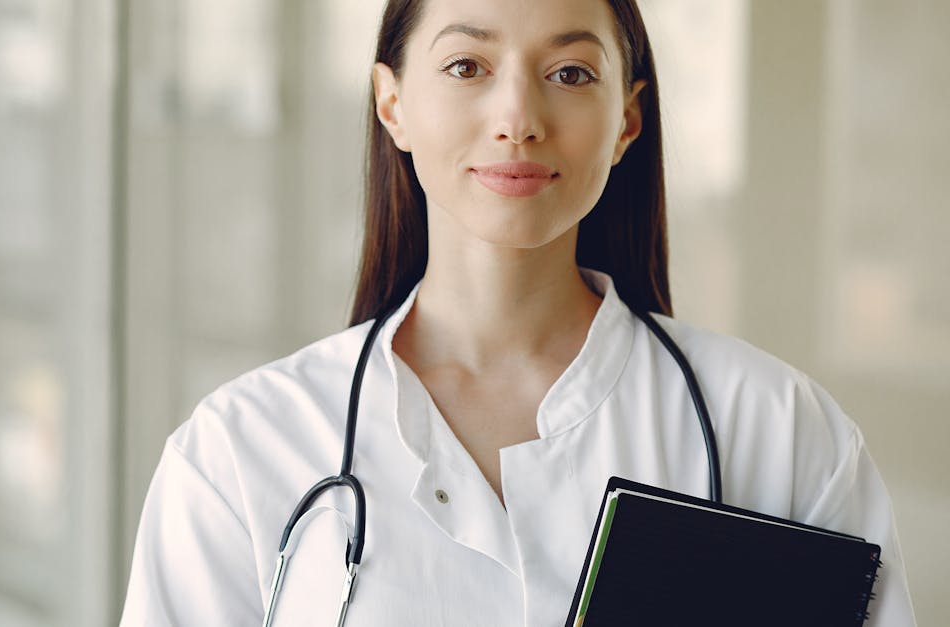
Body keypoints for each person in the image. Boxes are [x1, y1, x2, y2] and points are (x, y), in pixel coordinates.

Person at [119, 0, 916, 624]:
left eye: (570, 74)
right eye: (467, 64)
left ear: (627, 122)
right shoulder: (240, 451)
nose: (518, 119)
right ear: (391, 104)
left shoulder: (778, 431)